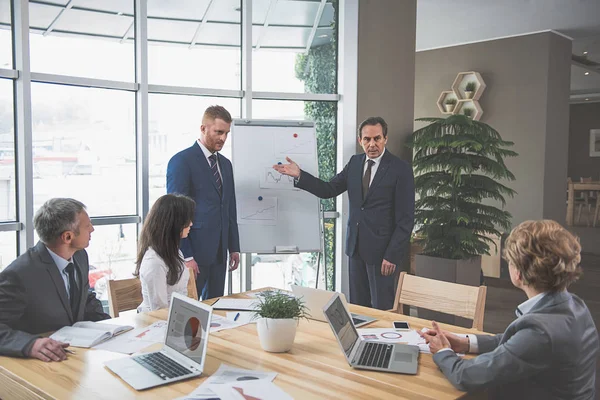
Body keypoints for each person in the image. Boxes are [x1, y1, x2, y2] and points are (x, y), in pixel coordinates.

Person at [420, 220, 599, 399]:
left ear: (518, 273)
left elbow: (466, 376)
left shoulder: (540, 333)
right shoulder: (575, 306)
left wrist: (443, 352)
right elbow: (517, 345)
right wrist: (466, 342)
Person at [273, 116, 414, 310]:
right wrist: (300, 175)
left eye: (377, 138)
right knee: (357, 308)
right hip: (355, 249)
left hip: (383, 255)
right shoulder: (355, 164)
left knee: (383, 309)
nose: (372, 144)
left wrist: (392, 255)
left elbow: (406, 219)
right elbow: (328, 190)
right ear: (360, 141)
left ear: (385, 139)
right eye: (367, 139)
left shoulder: (400, 169)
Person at [0, 198, 110, 361]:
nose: (92, 229)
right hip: (39, 364)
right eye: (87, 226)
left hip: (76, 356)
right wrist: (31, 345)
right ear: (67, 237)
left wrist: (111, 329)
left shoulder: (79, 256)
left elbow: (84, 298)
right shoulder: (20, 274)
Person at [167, 105, 240, 300]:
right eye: (218, 132)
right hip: (194, 254)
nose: (223, 138)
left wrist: (233, 246)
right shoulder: (182, 161)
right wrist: (186, 256)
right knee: (189, 311)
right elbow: (175, 214)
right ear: (203, 128)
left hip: (219, 254)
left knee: (216, 309)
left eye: (226, 133)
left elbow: (229, 208)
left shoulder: (226, 165)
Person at [134, 194, 195, 312]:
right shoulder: (154, 262)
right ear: (175, 223)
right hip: (156, 322)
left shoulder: (175, 252)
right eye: (187, 220)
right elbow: (159, 310)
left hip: (176, 316)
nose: (191, 224)